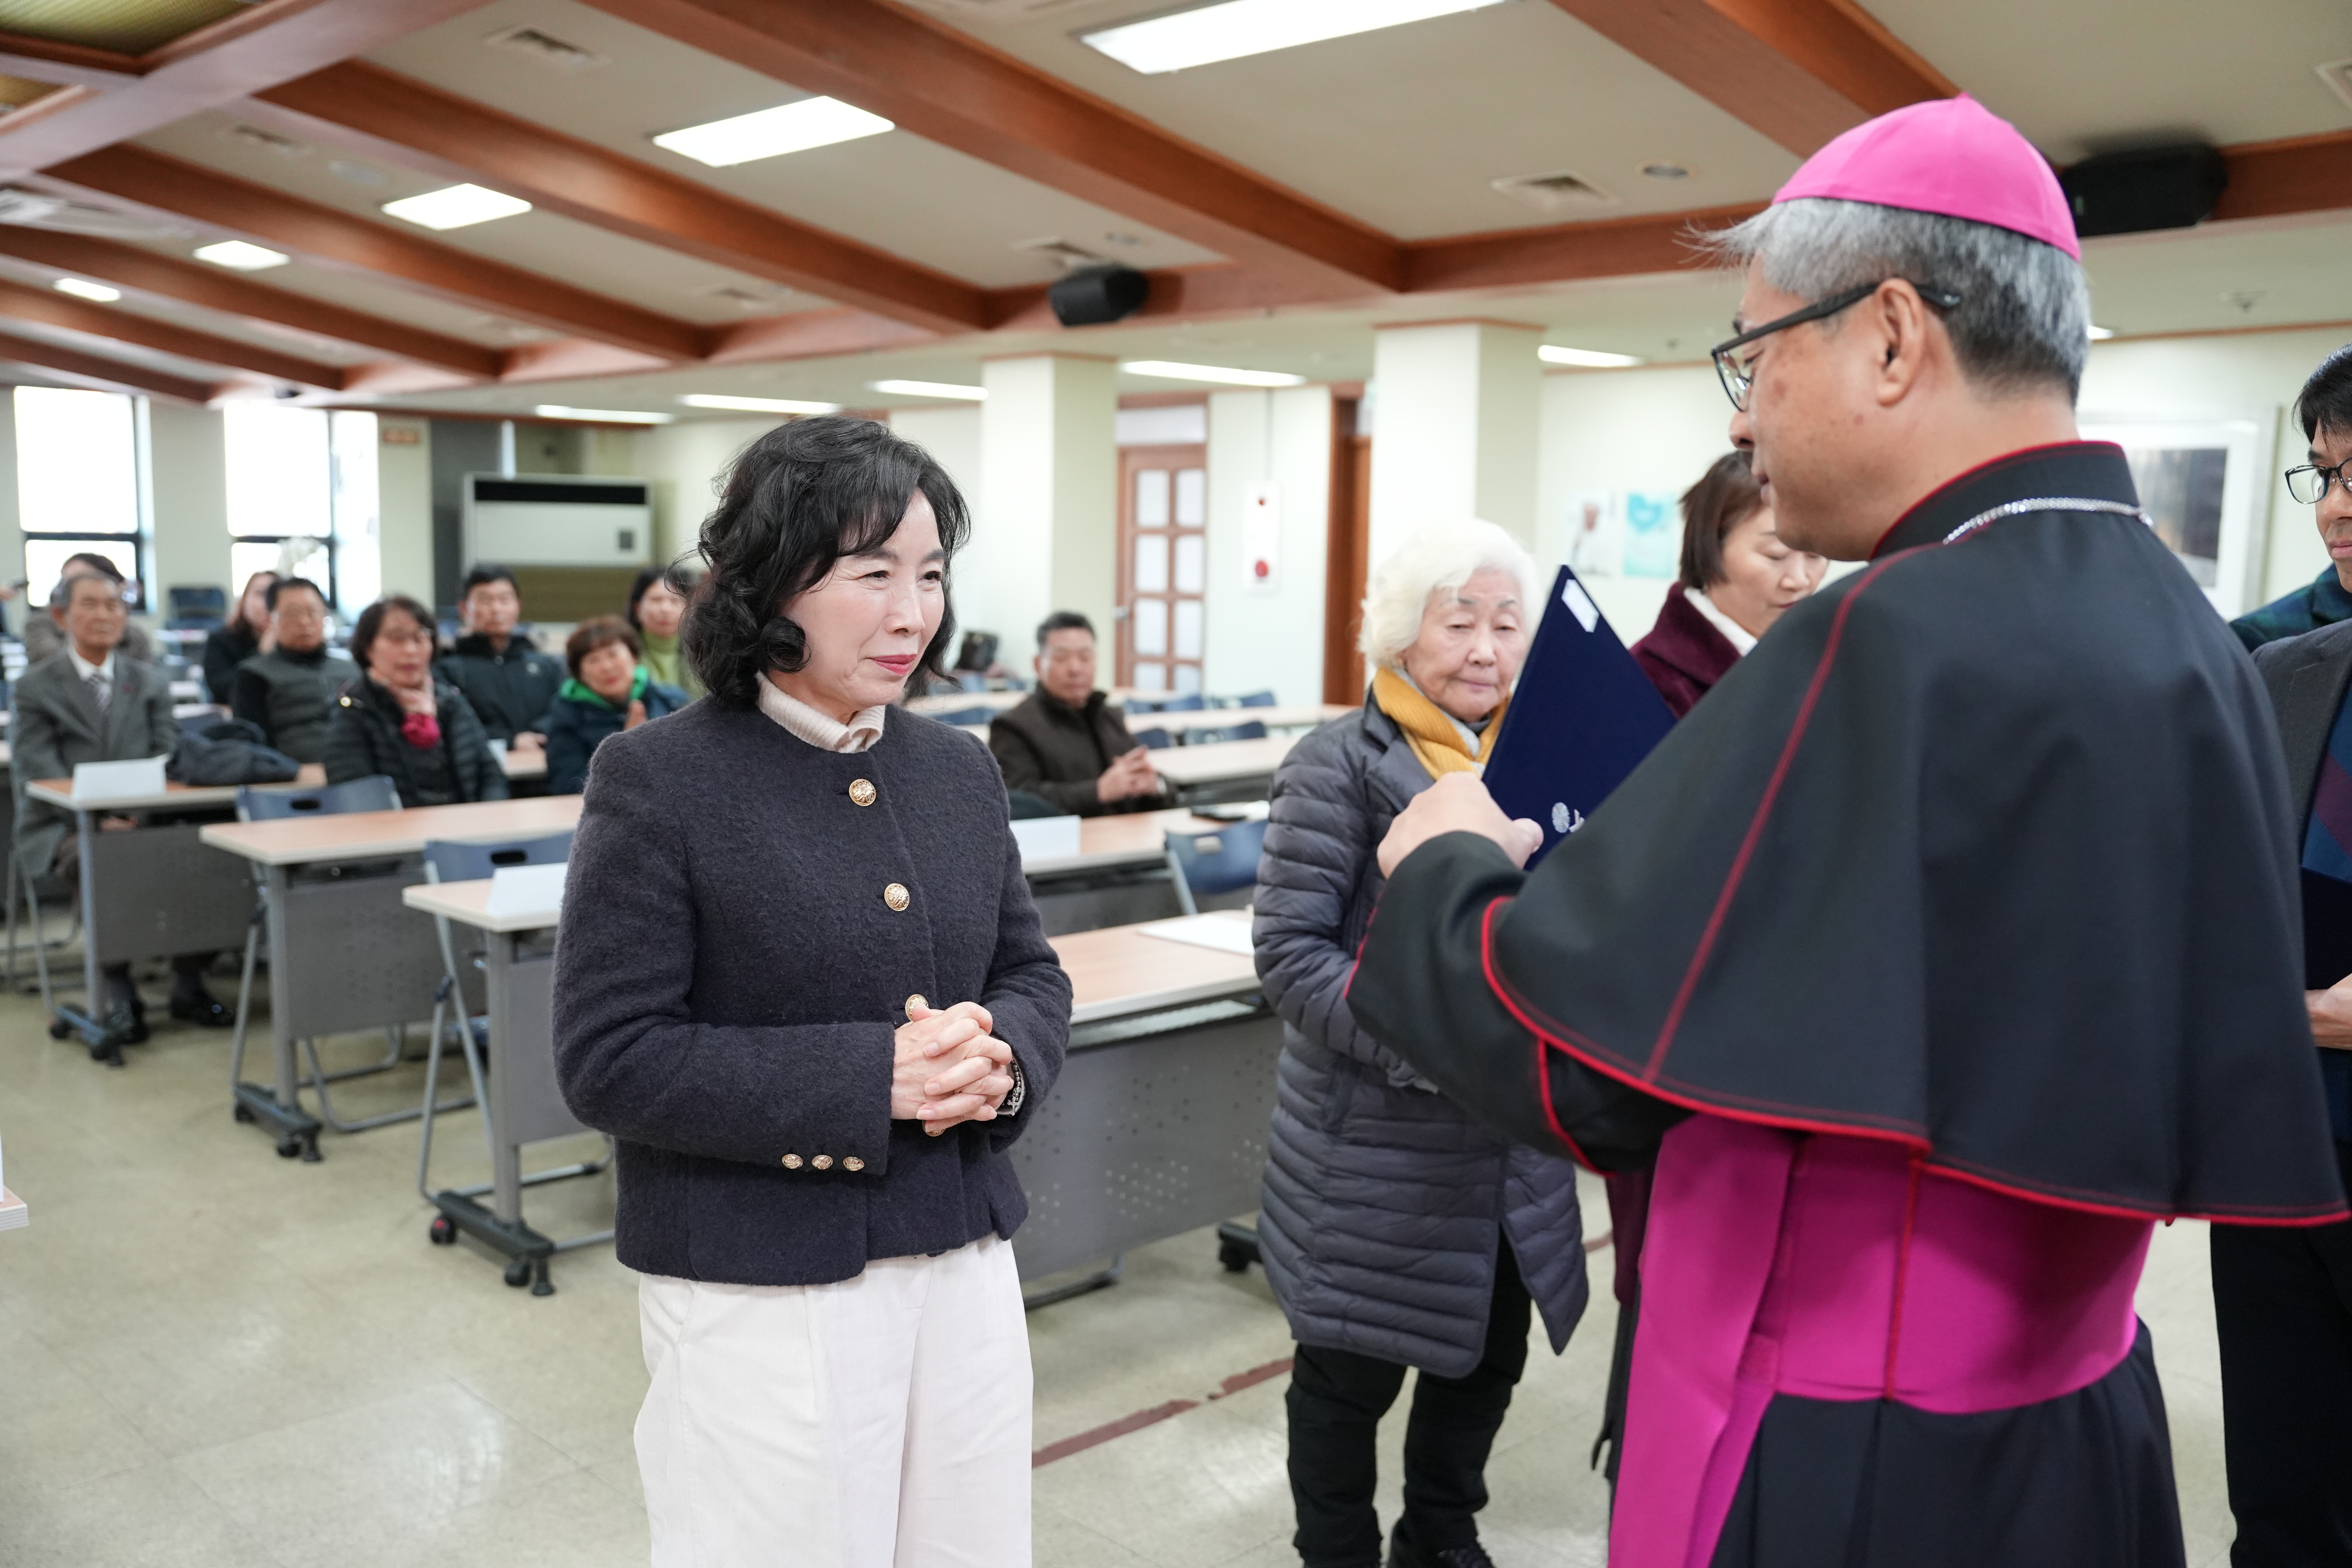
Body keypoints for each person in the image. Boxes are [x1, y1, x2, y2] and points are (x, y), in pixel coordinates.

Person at [1345, 95, 2349, 1568]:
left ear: (1889, 336)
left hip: (1849, 1440)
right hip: (2077, 1411)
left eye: (1755, 355)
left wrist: (1447, 857)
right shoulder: (2185, 633)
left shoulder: (1888, 638)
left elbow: (1582, 1073)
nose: (1743, 416)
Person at [552, 415, 1067, 1568]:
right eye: (871, 571)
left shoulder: (953, 766)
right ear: (772, 580)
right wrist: (868, 1077)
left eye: (930, 574)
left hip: (962, 1253)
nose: (912, 610)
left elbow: (1028, 970)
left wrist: (1000, 1053)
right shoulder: (657, 779)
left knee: (970, 1545)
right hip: (762, 1280)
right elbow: (609, 1056)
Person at [1255, 519, 1589, 1568]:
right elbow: (1290, 957)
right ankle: (1338, 1549)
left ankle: (1441, 1537)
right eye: (1459, 622)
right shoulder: (1337, 765)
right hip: (1374, 1150)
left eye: (1506, 625)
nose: (1485, 649)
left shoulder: (1540, 764)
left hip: (1511, 1144)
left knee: (1487, 1360)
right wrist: (1430, 1041)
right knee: (1345, 1379)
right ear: (1402, 634)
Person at [2221, 345, 2352, 1566]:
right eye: (2323, 472)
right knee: (2280, 1492)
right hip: (2283, 1150)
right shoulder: (2277, 675)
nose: (2336, 506)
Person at [12, 571, 232, 1059]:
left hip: (145, 815)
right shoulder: (34, 687)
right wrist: (94, 817)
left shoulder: (148, 681)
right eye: (90, 605)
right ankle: (119, 990)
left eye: (114, 605)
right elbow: (39, 771)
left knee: (210, 854)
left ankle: (189, 981)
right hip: (63, 824)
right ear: (61, 617)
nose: (104, 615)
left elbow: (168, 755)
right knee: (101, 856)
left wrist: (135, 812)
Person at [1629, 451, 1826, 716]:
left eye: (1815, 554)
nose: (1801, 580)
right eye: (1775, 555)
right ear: (1711, 546)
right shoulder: (1648, 684)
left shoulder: (1822, 657)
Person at [324, 595, 507, 808]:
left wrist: (486, 816)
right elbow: (353, 791)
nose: (411, 650)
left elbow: (491, 773)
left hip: (463, 828)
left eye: (419, 639)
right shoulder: (353, 708)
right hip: (392, 834)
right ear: (368, 648)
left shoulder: (449, 701)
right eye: (397, 639)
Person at [987, 611, 1166, 816]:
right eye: (1061, 658)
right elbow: (1017, 800)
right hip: (1065, 841)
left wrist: (1154, 786)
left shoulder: (1110, 716)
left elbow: (1139, 779)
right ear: (1038, 665)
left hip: (1125, 836)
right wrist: (1098, 791)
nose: (1075, 668)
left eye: (1085, 657)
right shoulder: (1012, 727)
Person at [540, 616, 687, 794]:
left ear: (634, 658)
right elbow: (567, 784)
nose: (607, 667)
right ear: (580, 675)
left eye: (613, 654)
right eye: (594, 660)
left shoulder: (671, 701)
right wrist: (625, 751)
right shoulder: (568, 714)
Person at [228, 578, 354, 765]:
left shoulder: (352, 671)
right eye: (293, 613)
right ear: (273, 619)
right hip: (290, 779)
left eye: (313, 612)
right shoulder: (254, 674)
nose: (304, 622)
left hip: (357, 774)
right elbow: (254, 748)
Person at [434, 565, 561, 748]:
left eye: (505, 599)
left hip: (543, 763)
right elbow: (451, 723)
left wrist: (538, 733)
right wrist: (511, 741)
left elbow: (562, 709)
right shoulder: (448, 669)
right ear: (464, 609)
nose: (496, 609)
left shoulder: (545, 665)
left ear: (518, 606)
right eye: (485, 600)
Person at [22, 552, 153, 664]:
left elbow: (145, 678)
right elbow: (49, 663)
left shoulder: (133, 636)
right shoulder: (40, 625)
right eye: (66, 581)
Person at [626, 565, 704, 699]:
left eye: (675, 601)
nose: (666, 609)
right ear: (638, 608)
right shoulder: (623, 652)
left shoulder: (705, 653)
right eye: (657, 600)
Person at [201, 570, 277, 701]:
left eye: (274, 596)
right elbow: (223, 690)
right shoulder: (220, 641)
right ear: (244, 600)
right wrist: (262, 653)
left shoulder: (293, 643)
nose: (267, 603)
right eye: (260, 594)